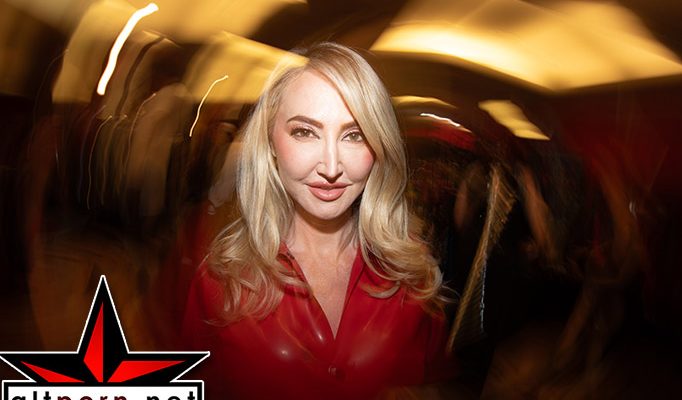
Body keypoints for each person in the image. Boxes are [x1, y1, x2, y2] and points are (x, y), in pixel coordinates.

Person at [182, 42, 452, 399]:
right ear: (270, 143)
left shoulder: (412, 275)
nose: (331, 167)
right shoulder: (221, 279)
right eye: (305, 132)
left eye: (354, 135)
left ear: (378, 146)